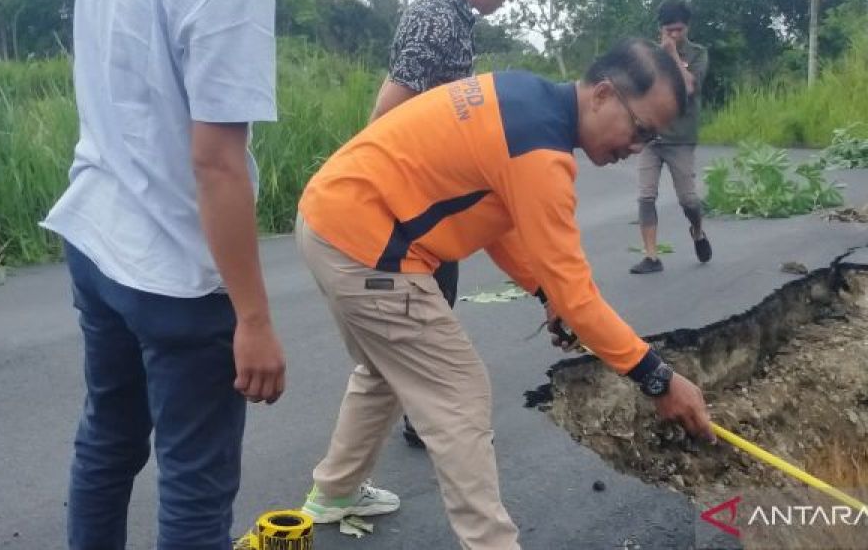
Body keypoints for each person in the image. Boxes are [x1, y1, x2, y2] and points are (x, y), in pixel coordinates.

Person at [39, 0, 382, 548]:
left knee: (108, 441)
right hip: (178, 280)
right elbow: (217, 161)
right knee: (195, 493)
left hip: (97, 236)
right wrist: (254, 320)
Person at [297, 39, 715, 549]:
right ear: (604, 94)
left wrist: (544, 291)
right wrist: (658, 378)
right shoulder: (540, 153)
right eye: (640, 130)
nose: (637, 148)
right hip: (368, 247)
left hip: (329, 219)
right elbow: (579, 296)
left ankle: (334, 492)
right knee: (459, 391)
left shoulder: (523, 97)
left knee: (385, 368)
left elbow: (498, 221)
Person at [371, 0, 549, 448]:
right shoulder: (436, 21)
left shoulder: (452, 14)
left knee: (421, 319)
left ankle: (411, 421)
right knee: (427, 320)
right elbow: (387, 115)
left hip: (431, 193)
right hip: (416, 199)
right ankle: (430, 423)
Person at [630, 0, 712, 274]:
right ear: (661, 29)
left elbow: (689, 87)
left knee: (688, 199)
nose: (675, 35)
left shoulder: (698, 54)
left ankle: (698, 231)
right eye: (669, 30)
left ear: (687, 28)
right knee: (645, 196)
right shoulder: (649, 56)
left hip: (681, 137)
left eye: (679, 30)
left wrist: (673, 54)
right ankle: (651, 256)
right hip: (651, 137)